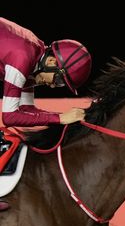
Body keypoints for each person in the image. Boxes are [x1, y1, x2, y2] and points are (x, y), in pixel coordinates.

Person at [0, 17, 92, 211]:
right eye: (59, 80)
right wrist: (59, 118)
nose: (53, 85)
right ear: (51, 62)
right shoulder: (22, 57)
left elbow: (26, 110)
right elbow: (9, 116)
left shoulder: (34, 55)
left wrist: (61, 117)